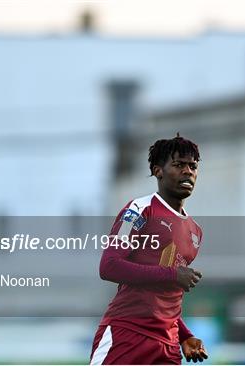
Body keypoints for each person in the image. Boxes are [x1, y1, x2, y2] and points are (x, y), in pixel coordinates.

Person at [90, 134, 209, 365]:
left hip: (168, 346)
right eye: (178, 165)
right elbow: (109, 266)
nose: (188, 171)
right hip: (126, 335)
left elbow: (164, 294)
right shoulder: (138, 211)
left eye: (193, 166)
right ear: (158, 171)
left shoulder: (195, 232)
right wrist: (173, 274)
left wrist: (185, 335)